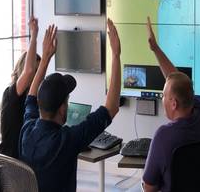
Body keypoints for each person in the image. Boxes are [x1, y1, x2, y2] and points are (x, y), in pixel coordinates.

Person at [19, 19, 122, 192]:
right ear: (62, 108)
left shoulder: (27, 130)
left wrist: (45, 59)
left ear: (40, 105)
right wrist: (116, 55)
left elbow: (31, 96)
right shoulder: (66, 141)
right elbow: (112, 108)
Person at [142, 17, 200, 192]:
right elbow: (179, 83)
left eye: (163, 95)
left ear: (173, 103)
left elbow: (149, 187)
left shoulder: (164, 136)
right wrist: (155, 49)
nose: (161, 98)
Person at [0, 16, 41, 158]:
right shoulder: (11, 95)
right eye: (37, 72)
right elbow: (28, 72)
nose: (38, 77)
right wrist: (34, 34)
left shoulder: (31, 99)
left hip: (21, 161)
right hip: (14, 164)